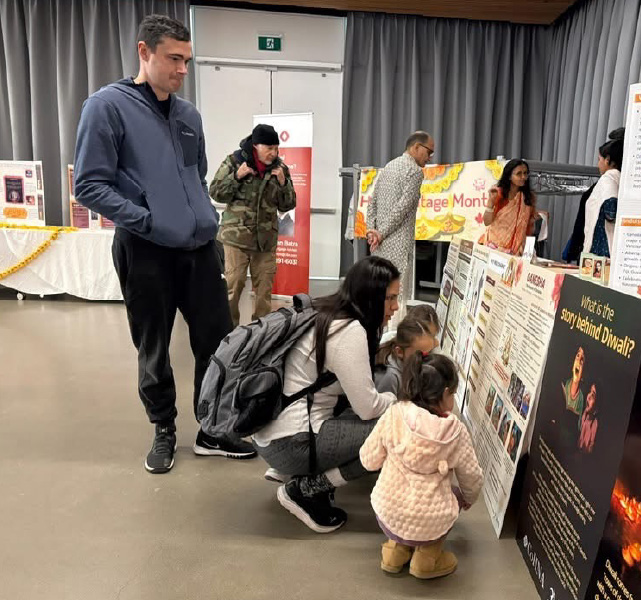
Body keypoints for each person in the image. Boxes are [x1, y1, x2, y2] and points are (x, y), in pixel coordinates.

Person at [74, 14, 256, 474]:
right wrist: (149, 221)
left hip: (198, 249)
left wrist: (200, 221)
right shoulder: (106, 107)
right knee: (153, 346)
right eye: (173, 59)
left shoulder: (188, 114)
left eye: (187, 61)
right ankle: (164, 429)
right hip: (145, 251)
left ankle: (212, 429)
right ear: (144, 52)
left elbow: (196, 176)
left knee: (217, 343)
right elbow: (90, 185)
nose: (182, 70)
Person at [252, 256, 401, 533]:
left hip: (273, 433)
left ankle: (294, 473)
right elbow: (367, 408)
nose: (395, 307)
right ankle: (306, 489)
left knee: (377, 395)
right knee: (398, 429)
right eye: (390, 299)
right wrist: (397, 402)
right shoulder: (349, 331)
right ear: (370, 296)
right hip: (294, 443)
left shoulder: (328, 311)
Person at [360, 353, 483, 579]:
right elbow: (472, 479)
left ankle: (394, 553)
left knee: (401, 507)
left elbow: (368, 460)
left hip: (389, 509)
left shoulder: (393, 413)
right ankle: (425, 560)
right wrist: (467, 499)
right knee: (453, 497)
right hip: (432, 519)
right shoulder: (455, 432)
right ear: (446, 394)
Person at [210, 124, 296, 324]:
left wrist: (284, 184)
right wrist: (237, 176)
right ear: (256, 146)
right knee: (233, 287)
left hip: (264, 241)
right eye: (270, 148)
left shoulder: (280, 169)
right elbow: (216, 192)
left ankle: (260, 337)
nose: (274, 153)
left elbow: (288, 205)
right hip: (236, 238)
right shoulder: (234, 161)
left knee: (264, 292)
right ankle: (229, 335)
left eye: (277, 148)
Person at [366, 131, 436, 322]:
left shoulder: (390, 165)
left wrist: (371, 232)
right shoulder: (414, 171)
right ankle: (392, 339)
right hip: (397, 244)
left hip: (379, 246)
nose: (430, 158)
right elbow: (402, 209)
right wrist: (379, 233)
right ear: (416, 147)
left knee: (379, 290)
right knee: (396, 294)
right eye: (429, 152)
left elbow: (372, 202)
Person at [480, 159, 537, 256]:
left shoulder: (528, 197)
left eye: (525, 173)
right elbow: (487, 222)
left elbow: (527, 223)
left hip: (517, 250)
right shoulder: (498, 193)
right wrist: (491, 202)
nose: (523, 177)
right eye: (519, 174)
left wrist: (537, 216)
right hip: (496, 247)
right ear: (509, 176)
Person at [583, 128, 624, 257]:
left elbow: (611, 210)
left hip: (601, 249)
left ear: (607, 159)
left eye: (599, 159)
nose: (598, 164)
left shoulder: (609, 179)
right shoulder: (620, 180)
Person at [375, 315, 437, 395]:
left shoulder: (409, 364)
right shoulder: (390, 377)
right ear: (399, 352)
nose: (427, 361)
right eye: (421, 355)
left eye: (429, 353)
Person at [578, 384, 598, 453]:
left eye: (593, 395)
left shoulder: (595, 423)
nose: (588, 396)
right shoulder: (584, 415)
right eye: (590, 391)